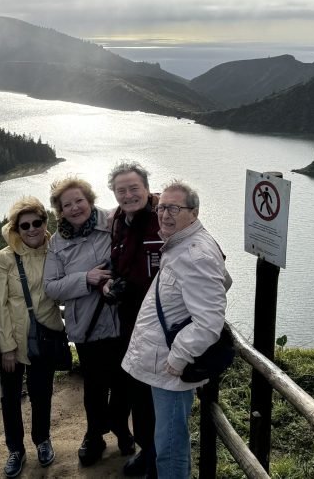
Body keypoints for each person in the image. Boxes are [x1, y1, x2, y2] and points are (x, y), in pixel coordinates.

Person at [122, 181, 232, 478]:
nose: (164, 214)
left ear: (193, 212)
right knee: (167, 439)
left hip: (170, 369)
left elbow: (209, 322)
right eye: (161, 207)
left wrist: (178, 356)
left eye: (174, 208)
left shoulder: (195, 253)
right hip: (163, 363)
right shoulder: (183, 242)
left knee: (169, 445)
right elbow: (225, 280)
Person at [43, 176, 135, 466]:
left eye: (78, 201)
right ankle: (94, 434)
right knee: (94, 386)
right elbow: (51, 287)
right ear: (59, 210)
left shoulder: (114, 222)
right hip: (87, 326)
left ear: (90, 200)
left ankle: (121, 429)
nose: (74, 208)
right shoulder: (57, 243)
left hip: (120, 321)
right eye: (66, 204)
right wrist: (87, 278)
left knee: (123, 383)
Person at [0, 196, 62, 477]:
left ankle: (42, 440)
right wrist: (6, 347)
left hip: (45, 337)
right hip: (13, 340)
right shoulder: (5, 258)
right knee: (10, 398)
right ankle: (15, 449)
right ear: (16, 229)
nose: (32, 229)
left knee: (42, 393)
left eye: (37, 222)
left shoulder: (56, 250)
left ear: (46, 222)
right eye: (25, 225)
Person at [107, 162, 164, 478]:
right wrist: (109, 283)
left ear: (146, 188)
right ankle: (148, 450)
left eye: (134, 188)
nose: (128, 195)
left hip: (161, 326)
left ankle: (161, 460)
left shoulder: (165, 219)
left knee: (159, 397)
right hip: (130, 325)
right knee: (138, 393)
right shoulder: (119, 220)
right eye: (121, 190)